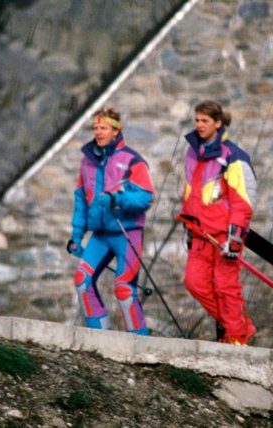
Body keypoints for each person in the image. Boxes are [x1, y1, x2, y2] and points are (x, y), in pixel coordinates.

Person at [67, 107, 154, 335]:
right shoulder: (87, 162)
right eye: (95, 128)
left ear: (116, 131)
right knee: (82, 280)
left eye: (103, 128)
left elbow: (146, 197)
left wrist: (117, 199)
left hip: (127, 233)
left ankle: (139, 341)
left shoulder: (132, 160)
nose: (98, 132)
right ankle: (99, 336)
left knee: (124, 289)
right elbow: (81, 201)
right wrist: (76, 236)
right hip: (101, 235)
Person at [179, 100, 257, 345]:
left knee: (226, 287)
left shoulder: (233, 156)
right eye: (197, 120)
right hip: (200, 232)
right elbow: (192, 191)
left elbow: (242, 199)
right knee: (194, 283)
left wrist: (235, 237)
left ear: (218, 123)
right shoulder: (192, 151)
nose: (199, 125)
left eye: (204, 121)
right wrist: (188, 219)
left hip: (224, 234)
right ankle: (241, 326)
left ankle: (236, 336)